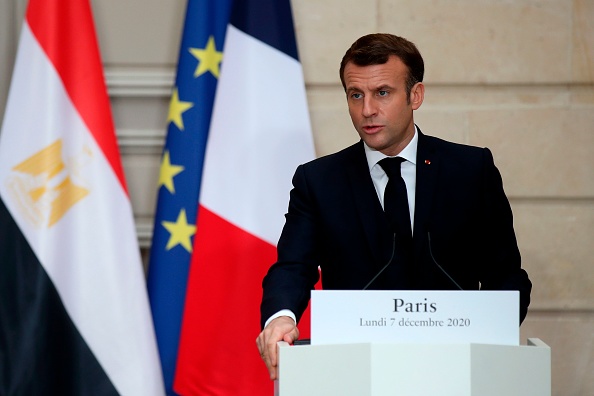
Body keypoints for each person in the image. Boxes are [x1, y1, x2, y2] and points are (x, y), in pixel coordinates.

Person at [255, 33, 532, 380]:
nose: (367, 110)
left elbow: (505, 274)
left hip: (458, 368)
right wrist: (281, 316)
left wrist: (495, 330)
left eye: (382, 93)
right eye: (356, 95)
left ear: (415, 95)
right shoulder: (319, 181)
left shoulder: (470, 170)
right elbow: (293, 266)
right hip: (354, 372)